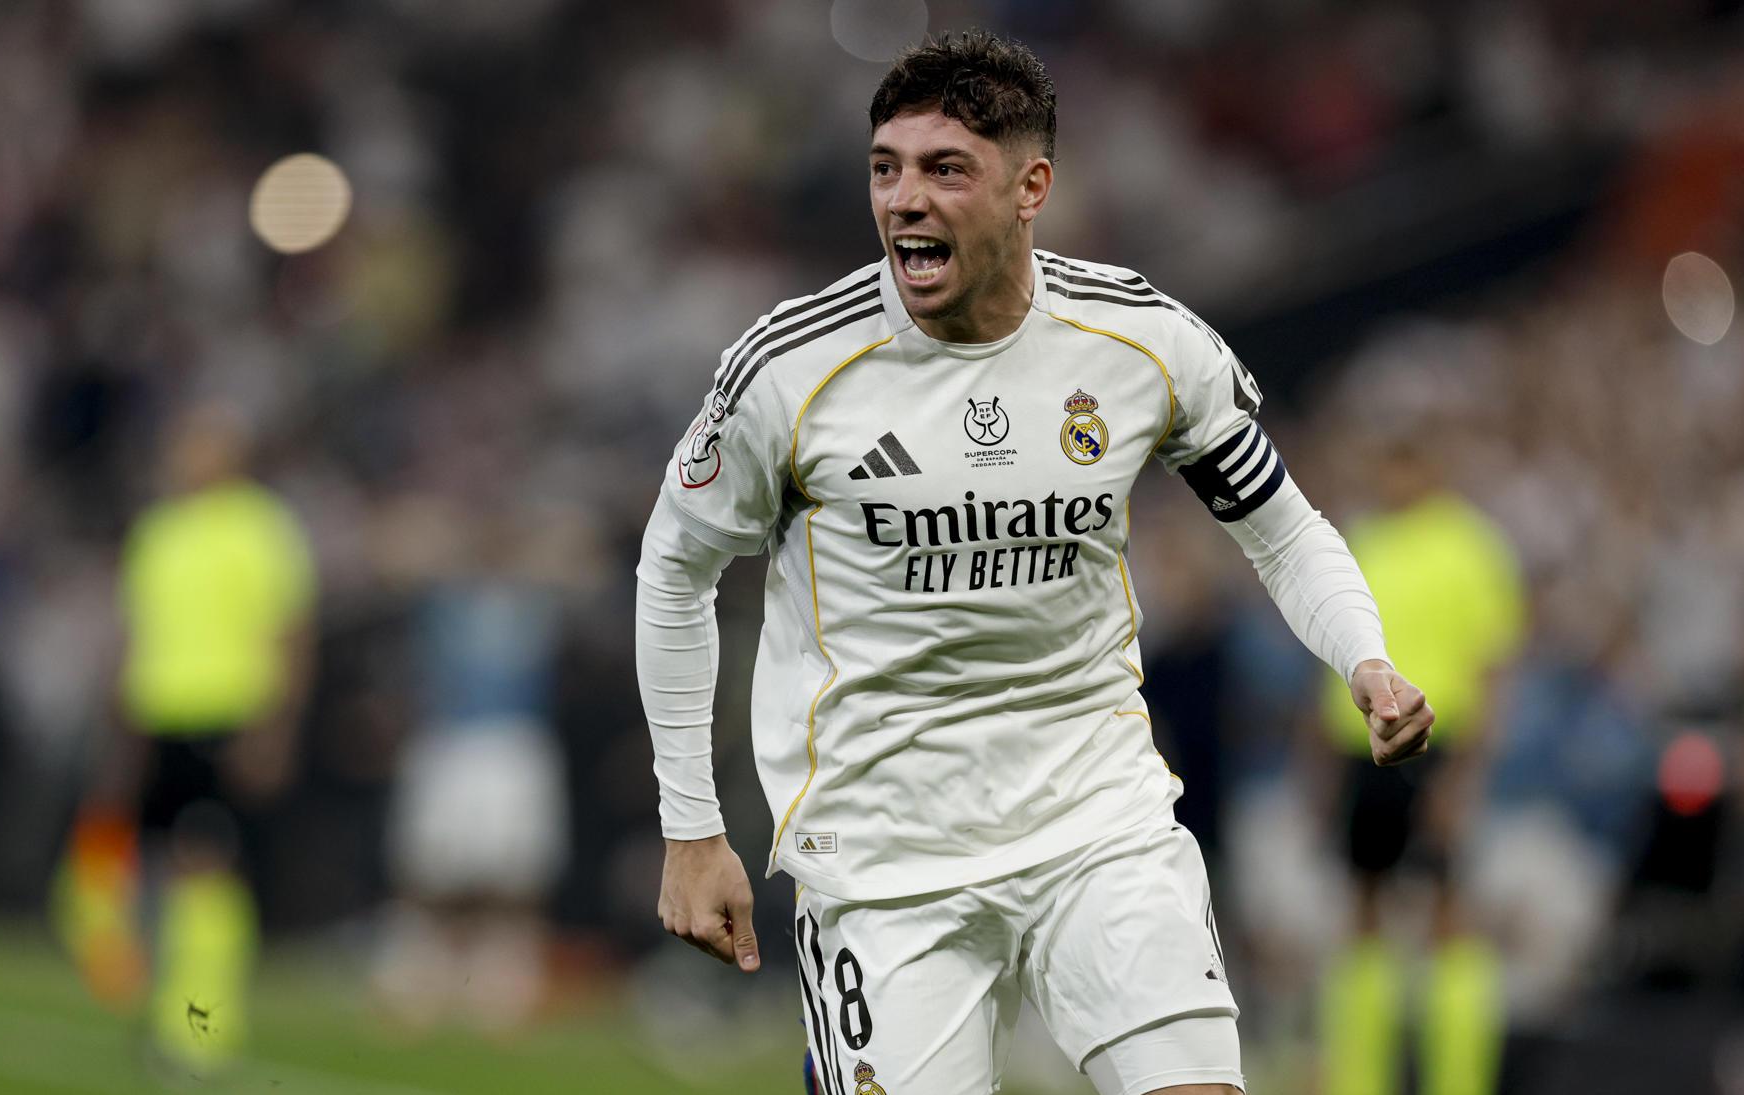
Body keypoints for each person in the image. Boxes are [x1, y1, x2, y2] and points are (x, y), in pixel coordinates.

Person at [635, 32, 1432, 1095]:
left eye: (945, 169)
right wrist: (691, 826)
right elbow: (674, 570)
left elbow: (1281, 525)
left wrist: (1363, 656)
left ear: (1032, 187)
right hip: (884, 860)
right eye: (887, 168)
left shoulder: (1141, 343)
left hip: (1095, 824)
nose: (904, 200)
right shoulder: (792, 369)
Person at [75, 402, 317, 1076]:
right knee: (151, 871)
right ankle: (167, 1008)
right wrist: (120, 726)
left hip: (227, 714)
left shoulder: (262, 528)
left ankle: (200, 1024)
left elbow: (290, 633)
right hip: (158, 718)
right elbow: (133, 634)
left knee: (204, 866)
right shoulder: (157, 531)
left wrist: (274, 727)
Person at [1315, 437, 1524, 1095]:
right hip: (1359, 746)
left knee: (1445, 913)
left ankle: (1456, 1082)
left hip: (1439, 741)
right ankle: (1359, 1081)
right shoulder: (1363, 539)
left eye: (1405, 460)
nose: (1393, 475)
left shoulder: (1469, 544)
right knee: (1363, 907)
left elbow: (1492, 667)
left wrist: (1465, 776)